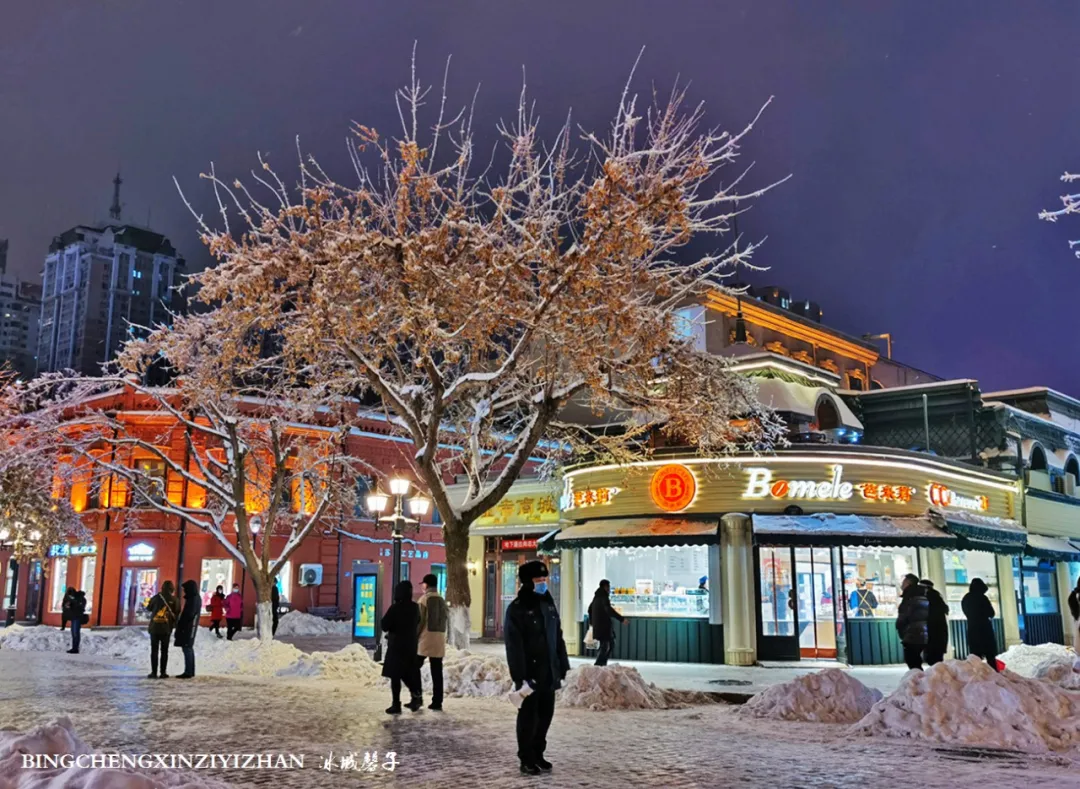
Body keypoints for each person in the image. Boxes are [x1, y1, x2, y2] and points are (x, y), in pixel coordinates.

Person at [505, 560, 570, 777]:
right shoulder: (517, 609)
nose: (543, 583)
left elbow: (557, 636)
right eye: (538, 580)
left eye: (544, 579)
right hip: (530, 674)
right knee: (528, 718)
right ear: (527, 582)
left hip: (549, 671)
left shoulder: (548, 603)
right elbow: (514, 646)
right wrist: (520, 676)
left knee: (546, 715)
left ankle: (538, 753)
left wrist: (562, 664)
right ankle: (526, 758)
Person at [381, 580, 422, 714]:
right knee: (407, 673)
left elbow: (384, 625)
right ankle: (415, 696)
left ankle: (396, 703)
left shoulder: (395, 608)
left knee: (396, 676)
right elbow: (418, 621)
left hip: (396, 646)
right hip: (410, 645)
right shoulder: (415, 607)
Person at [417, 573, 448, 711]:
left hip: (425, 639)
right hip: (439, 639)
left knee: (414, 666)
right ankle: (437, 701)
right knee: (437, 671)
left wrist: (415, 636)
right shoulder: (442, 600)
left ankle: (416, 697)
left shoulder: (424, 600)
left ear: (427, 585)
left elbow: (419, 621)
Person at [587, 579, 627, 667]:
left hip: (599, 626)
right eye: (608, 587)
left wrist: (592, 621)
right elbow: (608, 610)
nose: (609, 589)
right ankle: (598, 665)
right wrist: (621, 619)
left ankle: (601, 664)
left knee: (608, 644)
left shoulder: (596, 597)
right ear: (605, 587)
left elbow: (589, 609)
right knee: (606, 645)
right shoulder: (603, 597)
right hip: (603, 626)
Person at [146, 581, 180, 678]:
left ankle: (153, 672)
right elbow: (177, 612)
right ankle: (163, 672)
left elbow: (149, 608)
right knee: (164, 650)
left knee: (154, 650)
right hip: (166, 629)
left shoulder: (156, 598)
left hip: (154, 628)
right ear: (172, 589)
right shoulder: (174, 599)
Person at [896, 573, 929, 671]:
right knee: (915, 660)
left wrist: (901, 628)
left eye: (903, 582)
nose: (901, 584)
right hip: (922, 631)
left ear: (908, 583)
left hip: (912, 633)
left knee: (912, 661)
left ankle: (918, 682)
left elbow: (904, 615)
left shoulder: (910, 597)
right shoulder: (922, 594)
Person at [174, 580, 200, 679]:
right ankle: (190, 670)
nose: (184, 591)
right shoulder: (194, 598)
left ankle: (189, 671)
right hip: (189, 627)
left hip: (189, 627)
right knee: (188, 648)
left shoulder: (193, 599)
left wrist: (181, 624)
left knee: (187, 647)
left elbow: (189, 614)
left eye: (185, 589)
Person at [920, 579, 950, 665]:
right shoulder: (938, 598)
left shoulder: (925, 598)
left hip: (930, 632)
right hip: (940, 634)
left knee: (931, 657)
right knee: (937, 658)